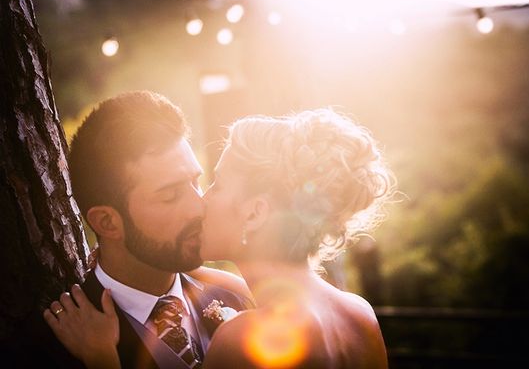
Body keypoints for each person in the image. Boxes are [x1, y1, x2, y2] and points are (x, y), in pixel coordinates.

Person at [46, 108, 395, 368]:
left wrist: (104, 362)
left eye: (216, 184)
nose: (202, 202)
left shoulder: (242, 340)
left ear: (255, 213)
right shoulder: (357, 313)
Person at [41, 91, 255, 369]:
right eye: (169, 195)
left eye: (195, 183)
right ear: (107, 222)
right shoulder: (51, 349)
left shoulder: (237, 302)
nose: (198, 208)